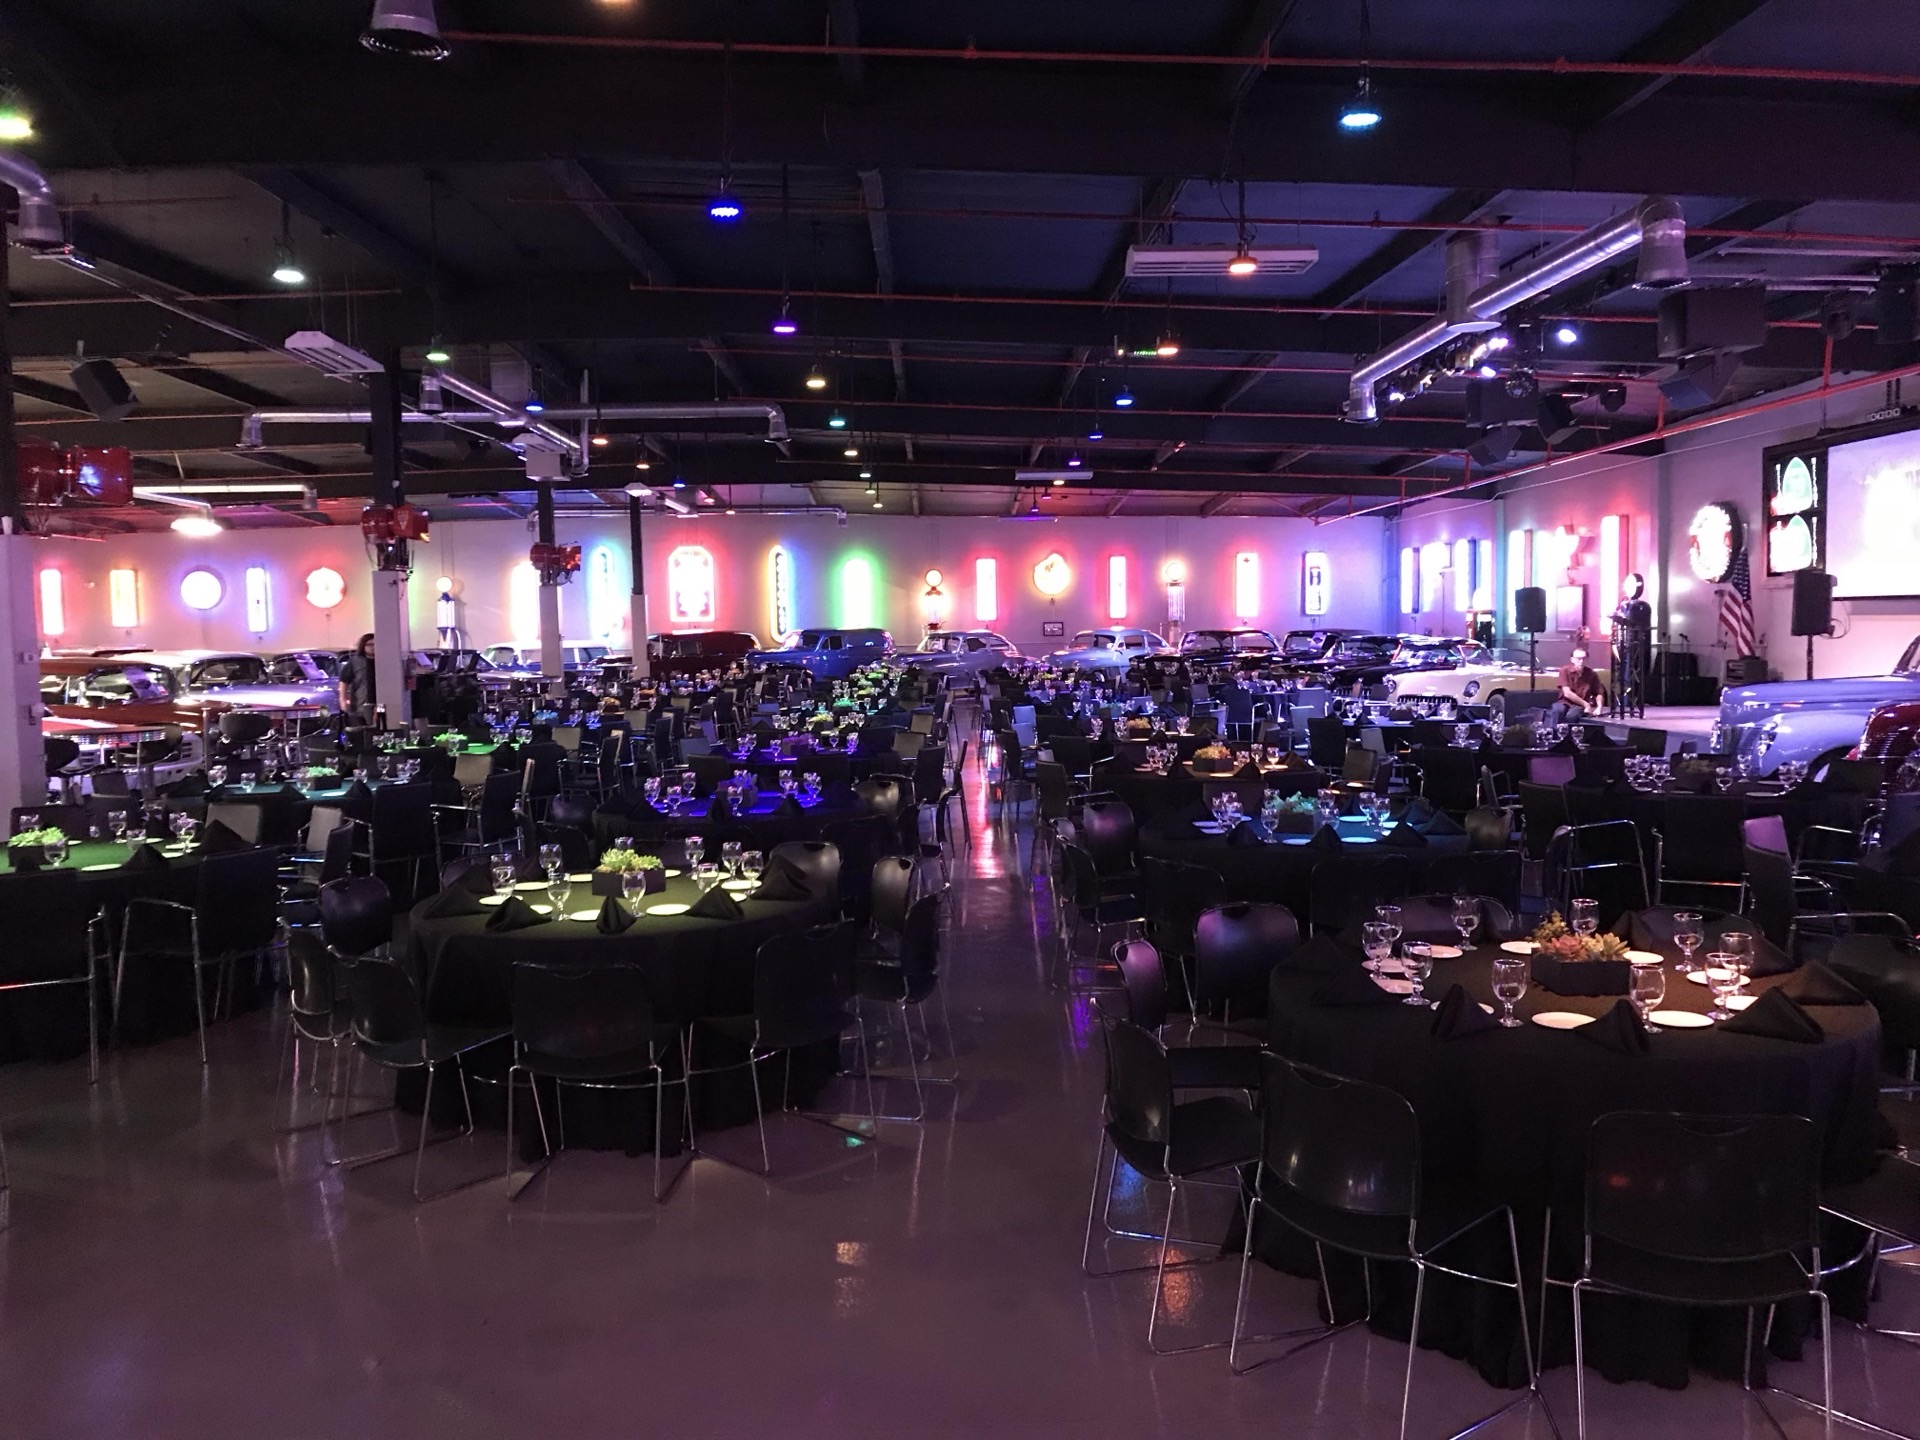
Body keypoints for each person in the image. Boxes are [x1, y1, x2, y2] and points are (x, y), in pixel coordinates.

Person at [1548, 646, 1605, 726]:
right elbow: (1567, 693)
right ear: (1572, 660)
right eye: (1578, 659)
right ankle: (1552, 735)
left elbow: (1598, 692)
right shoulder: (1565, 670)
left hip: (1579, 705)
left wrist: (1599, 707)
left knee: (1572, 716)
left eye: (1583, 659)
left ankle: (1569, 736)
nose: (1581, 661)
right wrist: (1586, 704)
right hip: (1565, 701)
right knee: (1557, 710)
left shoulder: (1591, 674)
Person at [339, 634, 377, 725]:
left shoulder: (384, 661)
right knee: (360, 733)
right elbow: (344, 682)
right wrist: (343, 700)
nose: (373, 647)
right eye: (370, 644)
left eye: (375, 644)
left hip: (379, 705)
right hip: (359, 705)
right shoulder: (355, 661)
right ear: (363, 646)